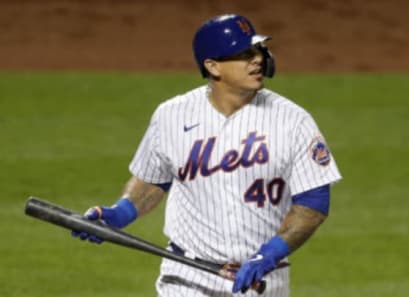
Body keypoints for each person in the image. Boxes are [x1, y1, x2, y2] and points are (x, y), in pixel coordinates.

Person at [72, 14, 342, 296]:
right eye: (243, 54)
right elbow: (154, 180)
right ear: (212, 66)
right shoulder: (171, 115)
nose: (257, 60)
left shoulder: (293, 121)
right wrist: (120, 213)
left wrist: (271, 253)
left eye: (257, 50)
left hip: (262, 281)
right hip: (186, 276)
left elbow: (313, 201)